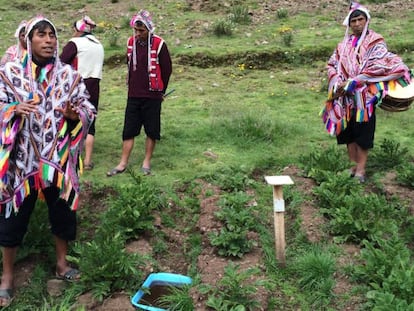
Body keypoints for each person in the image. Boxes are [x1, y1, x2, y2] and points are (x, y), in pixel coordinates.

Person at [0, 16, 96, 306]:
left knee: (63, 213)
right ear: (28, 41)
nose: (49, 40)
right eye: (41, 35)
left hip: (58, 162)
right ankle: (6, 277)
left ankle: (62, 265)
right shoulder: (9, 73)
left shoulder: (69, 76)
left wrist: (74, 115)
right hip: (22, 164)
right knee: (11, 219)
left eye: (52, 35)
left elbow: (88, 108)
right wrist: (14, 109)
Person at [321, 2, 410, 183]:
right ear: (349, 24)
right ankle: (353, 165)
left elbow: (379, 65)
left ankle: (361, 170)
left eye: (360, 19)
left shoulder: (375, 41)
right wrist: (338, 82)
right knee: (347, 132)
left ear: (367, 20)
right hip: (344, 98)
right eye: (353, 21)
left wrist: (356, 80)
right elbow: (332, 64)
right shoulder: (343, 45)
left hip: (364, 97)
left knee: (363, 133)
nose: (356, 24)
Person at [107, 9, 172, 177]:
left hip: (152, 96)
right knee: (128, 130)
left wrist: (161, 92)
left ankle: (146, 162)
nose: (138, 34)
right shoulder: (130, 43)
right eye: (135, 30)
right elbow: (129, 64)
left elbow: (167, 69)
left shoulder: (159, 44)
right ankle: (123, 163)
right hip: (134, 95)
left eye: (141, 31)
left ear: (149, 29)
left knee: (152, 130)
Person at [60, 16, 104, 170]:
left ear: (79, 29)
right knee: (90, 121)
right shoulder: (99, 44)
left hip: (77, 85)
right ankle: (88, 161)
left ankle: (69, 156)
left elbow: (61, 63)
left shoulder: (75, 43)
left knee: (71, 120)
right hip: (95, 85)